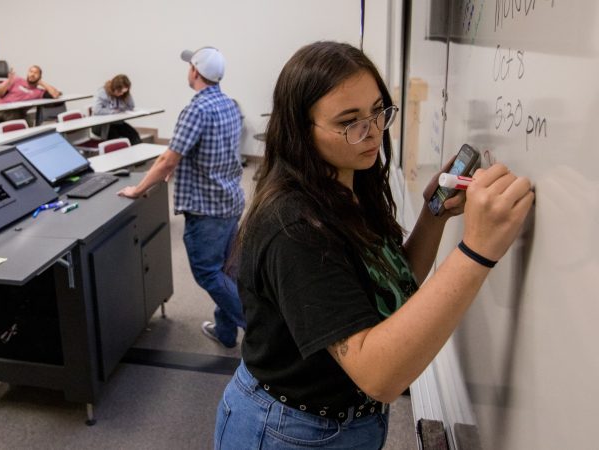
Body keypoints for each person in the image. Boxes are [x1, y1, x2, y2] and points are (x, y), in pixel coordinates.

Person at [212, 41, 534, 449]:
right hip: (288, 430)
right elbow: (379, 375)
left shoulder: (350, 179)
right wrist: (476, 251)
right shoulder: (294, 226)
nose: (373, 133)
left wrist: (433, 219)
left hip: (342, 423)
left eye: (379, 111)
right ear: (300, 129)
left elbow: (388, 289)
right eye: (350, 122)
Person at [118, 47, 246, 348]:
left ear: (195, 72)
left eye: (189, 65)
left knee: (207, 272)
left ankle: (259, 328)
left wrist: (139, 189)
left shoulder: (197, 109)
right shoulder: (229, 104)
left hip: (207, 209)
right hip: (229, 200)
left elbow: (167, 159)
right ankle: (226, 332)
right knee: (227, 270)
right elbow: (209, 150)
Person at [0, 65, 61, 131]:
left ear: (40, 76)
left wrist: (42, 83)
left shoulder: (39, 92)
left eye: (36, 73)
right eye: (31, 71)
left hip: (15, 113)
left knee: (19, 127)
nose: (32, 74)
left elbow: (55, 94)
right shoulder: (16, 80)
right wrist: (8, 82)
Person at [92, 74, 141, 144]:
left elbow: (131, 106)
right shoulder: (102, 92)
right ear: (114, 87)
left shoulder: (123, 95)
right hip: (101, 125)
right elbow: (97, 110)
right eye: (119, 91)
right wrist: (113, 112)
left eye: (123, 92)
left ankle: (139, 153)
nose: (121, 94)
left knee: (134, 135)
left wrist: (127, 95)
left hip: (116, 123)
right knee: (115, 138)